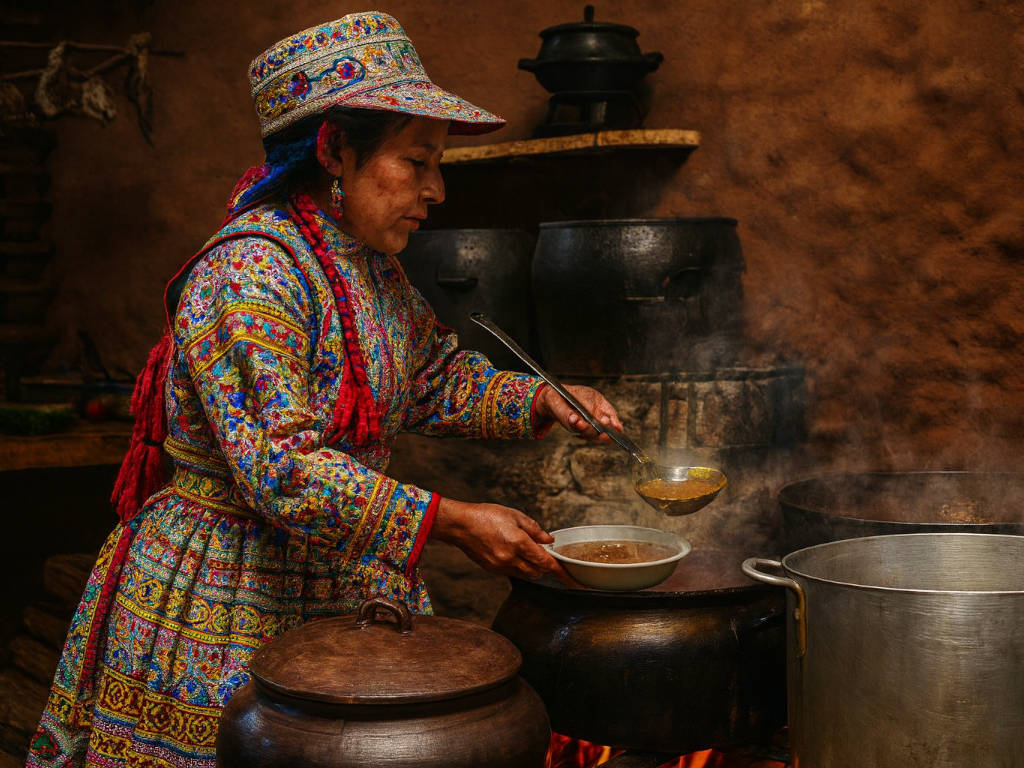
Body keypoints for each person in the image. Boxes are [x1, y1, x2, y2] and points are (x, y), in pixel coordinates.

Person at [27, 11, 622, 768]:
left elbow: (432, 378)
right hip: (228, 592)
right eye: (417, 162)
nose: (437, 190)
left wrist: (541, 399)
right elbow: (281, 469)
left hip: (344, 578)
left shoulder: (369, 268)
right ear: (336, 149)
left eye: (437, 164)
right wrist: (452, 521)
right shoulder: (248, 273)